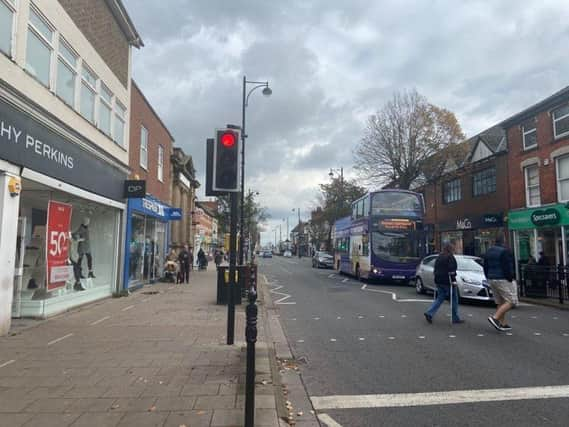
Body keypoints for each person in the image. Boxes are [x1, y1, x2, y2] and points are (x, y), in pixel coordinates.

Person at [424, 242, 464, 324]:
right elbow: (452, 270)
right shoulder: (450, 257)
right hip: (447, 281)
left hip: (439, 280)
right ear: (451, 249)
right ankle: (455, 317)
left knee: (440, 297)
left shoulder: (439, 257)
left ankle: (429, 312)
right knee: (454, 299)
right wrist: (453, 281)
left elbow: (435, 268)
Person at [484, 236, 516, 331]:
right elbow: (507, 266)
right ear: (503, 242)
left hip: (491, 278)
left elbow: (485, 266)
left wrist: (488, 276)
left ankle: (502, 323)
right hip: (502, 279)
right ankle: (495, 318)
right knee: (511, 301)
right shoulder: (504, 252)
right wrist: (510, 278)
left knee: (500, 302)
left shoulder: (488, 251)